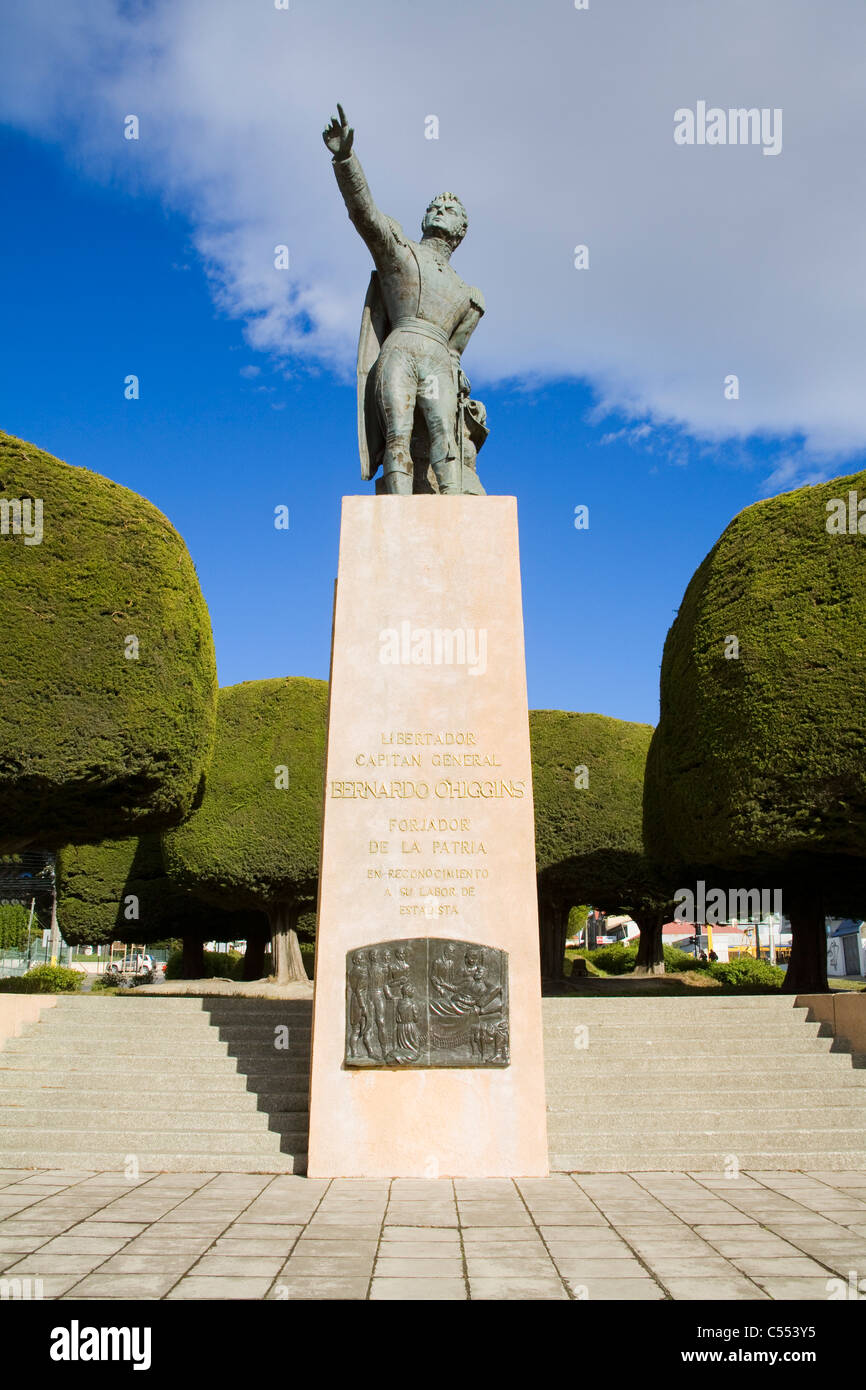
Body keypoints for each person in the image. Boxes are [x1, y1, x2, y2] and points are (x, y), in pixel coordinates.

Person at [324, 104, 486, 495]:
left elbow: (455, 353)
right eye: (435, 206)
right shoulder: (402, 252)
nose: (439, 210)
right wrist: (346, 159)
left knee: (444, 441)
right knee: (397, 438)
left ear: (461, 229)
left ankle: (456, 521)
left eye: (449, 210)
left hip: (437, 362)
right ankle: (396, 525)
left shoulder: (469, 296)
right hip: (398, 350)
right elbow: (365, 215)